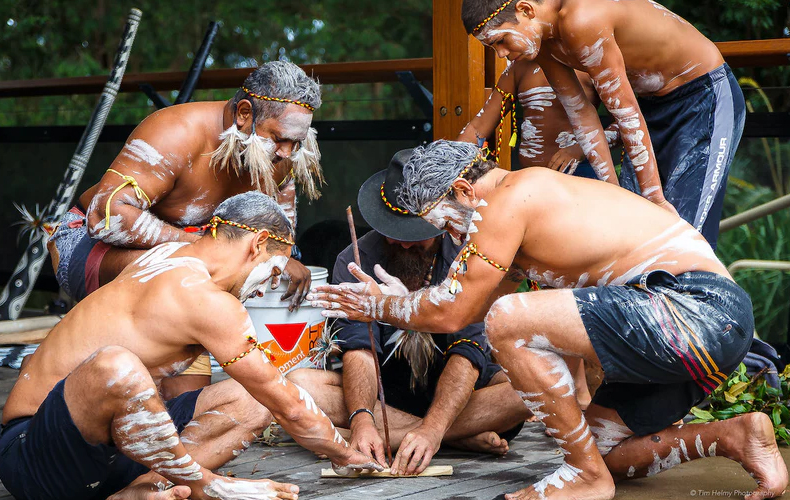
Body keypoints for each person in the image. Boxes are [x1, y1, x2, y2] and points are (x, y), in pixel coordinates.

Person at [308, 141, 788, 500]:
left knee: (510, 319)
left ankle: (583, 475)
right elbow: (459, 310)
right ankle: (734, 436)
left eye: (444, 223)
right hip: (701, 335)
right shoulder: (508, 226)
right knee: (606, 453)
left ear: (461, 189)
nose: (453, 236)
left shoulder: (510, 197)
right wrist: (401, 305)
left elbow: (461, 312)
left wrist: (384, 306)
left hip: (695, 313)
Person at [0, 192, 378, 500]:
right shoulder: (204, 298)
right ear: (258, 243)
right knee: (116, 365)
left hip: (103, 452)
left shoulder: (172, 257)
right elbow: (290, 406)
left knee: (251, 398)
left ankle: (142, 488)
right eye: (275, 271)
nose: (266, 287)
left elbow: (272, 395)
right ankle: (201, 486)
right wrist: (344, 455)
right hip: (33, 455)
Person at [47, 60, 323, 397]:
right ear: (245, 114)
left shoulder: (284, 153)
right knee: (199, 273)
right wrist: (199, 246)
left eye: (298, 142)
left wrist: (283, 255)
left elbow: (279, 228)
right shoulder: (177, 132)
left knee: (187, 401)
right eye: (280, 139)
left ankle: (178, 396)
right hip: (88, 246)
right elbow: (105, 215)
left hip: (190, 266)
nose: (288, 152)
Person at [288, 150, 531, 476]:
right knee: (299, 383)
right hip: (386, 402)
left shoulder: (470, 252)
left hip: (465, 399)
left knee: (527, 386)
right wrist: (361, 421)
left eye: (415, 234)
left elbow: (468, 353)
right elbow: (359, 350)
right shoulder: (354, 258)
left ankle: (426, 435)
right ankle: (454, 437)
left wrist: (433, 429)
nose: (403, 244)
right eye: (394, 232)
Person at [462, 0, 745, 249]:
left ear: (525, 10)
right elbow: (582, 115)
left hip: (703, 94)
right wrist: (614, 194)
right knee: (637, 231)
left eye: (500, 41)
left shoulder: (581, 18)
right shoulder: (543, 42)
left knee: (686, 233)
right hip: (650, 105)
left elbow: (625, 113)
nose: (500, 54)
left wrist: (655, 197)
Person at [458, 59, 620, 179]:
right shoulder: (519, 67)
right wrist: (450, 163)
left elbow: (623, 125)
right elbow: (477, 127)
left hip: (580, 176)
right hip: (530, 178)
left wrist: (582, 148)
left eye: (502, 41)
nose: (502, 53)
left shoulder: (588, 63)